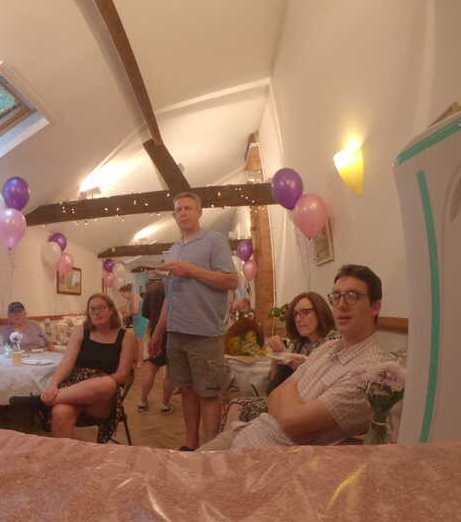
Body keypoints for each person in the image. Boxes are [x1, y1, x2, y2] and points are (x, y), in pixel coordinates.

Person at [199, 264, 385, 450]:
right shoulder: (327, 348)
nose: (341, 305)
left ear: (375, 307)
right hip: (249, 432)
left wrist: (288, 397)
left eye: (353, 296)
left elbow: (290, 422)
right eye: (336, 296)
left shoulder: (369, 373)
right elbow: (274, 394)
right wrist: (289, 400)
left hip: (266, 454)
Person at [148, 192, 238, 450]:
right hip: (176, 334)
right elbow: (170, 297)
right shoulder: (173, 250)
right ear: (174, 215)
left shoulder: (214, 241)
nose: (183, 213)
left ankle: (209, 450)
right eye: (178, 209)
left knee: (208, 394)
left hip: (205, 333)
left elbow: (232, 281)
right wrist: (157, 333)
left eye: (188, 208)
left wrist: (190, 270)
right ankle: (190, 446)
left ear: (199, 212)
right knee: (186, 391)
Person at [227, 292, 340, 425]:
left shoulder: (332, 340)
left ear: (320, 312)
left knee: (238, 406)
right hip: (288, 399)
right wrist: (277, 357)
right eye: (295, 314)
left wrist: (292, 359)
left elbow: (329, 380)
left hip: (309, 405)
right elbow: (274, 381)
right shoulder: (300, 343)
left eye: (305, 312)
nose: (298, 319)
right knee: (236, 404)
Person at [37, 293, 135, 439]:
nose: (96, 312)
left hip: (101, 398)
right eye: (92, 309)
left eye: (101, 308)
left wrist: (96, 383)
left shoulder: (126, 336)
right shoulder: (81, 331)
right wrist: (53, 385)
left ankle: (40, 402)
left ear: (111, 310)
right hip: (74, 388)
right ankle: (63, 455)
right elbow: (66, 363)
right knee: (60, 412)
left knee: (108, 384)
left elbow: (122, 375)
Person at [137, 272, 174, 414]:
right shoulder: (175, 286)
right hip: (173, 332)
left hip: (156, 332)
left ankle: (142, 401)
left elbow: (145, 313)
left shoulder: (151, 289)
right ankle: (165, 404)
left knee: (152, 368)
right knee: (170, 372)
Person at [119, 283, 147, 367]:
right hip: (136, 321)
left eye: (123, 294)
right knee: (136, 340)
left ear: (127, 292)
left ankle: (140, 361)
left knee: (139, 341)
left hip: (141, 320)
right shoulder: (129, 299)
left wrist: (127, 314)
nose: (123, 297)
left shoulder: (135, 297)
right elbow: (123, 308)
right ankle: (137, 358)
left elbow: (135, 311)